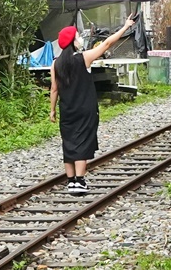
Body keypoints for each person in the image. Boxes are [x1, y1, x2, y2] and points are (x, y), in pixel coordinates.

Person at [49, 15, 136, 194]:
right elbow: (106, 44)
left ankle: (71, 181)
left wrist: (52, 110)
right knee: (82, 142)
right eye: (78, 36)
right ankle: (80, 181)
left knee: (69, 142)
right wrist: (125, 27)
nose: (80, 38)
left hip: (67, 110)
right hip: (85, 109)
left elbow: (54, 90)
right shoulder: (83, 58)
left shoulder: (56, 64)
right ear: (73, 41)